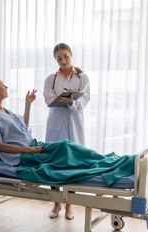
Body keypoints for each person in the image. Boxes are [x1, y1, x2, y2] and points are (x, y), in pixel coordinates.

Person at [0, 76, 135, 218]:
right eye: (3, 85)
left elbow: (23, 128)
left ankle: (114, 161)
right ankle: (120, 163)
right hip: (23, 157)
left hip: (34, 147)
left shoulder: (5, 111)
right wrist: (29, 150)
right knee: (67, 149)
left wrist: (28, 104)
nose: (6, 87)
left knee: (68, 147)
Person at [43, 43, 91, 220]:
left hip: (74, 123)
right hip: (55, 123)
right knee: (55, 163)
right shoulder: (51, 79)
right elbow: (47, 99)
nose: (63, 61)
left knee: (72, 163)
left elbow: (84, 99)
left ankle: (70, 207)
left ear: (71, 56)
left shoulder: (82, 77)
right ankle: (56, 205)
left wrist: (71, 102)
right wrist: (57, 99)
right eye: (59, 58)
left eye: (66, 57)